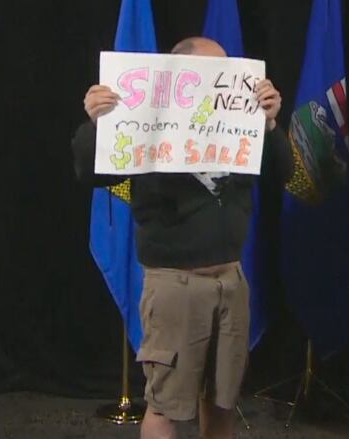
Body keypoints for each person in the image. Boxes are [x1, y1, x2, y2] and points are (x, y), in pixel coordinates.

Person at [71, 37, 292, 439]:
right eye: (213, 72)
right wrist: (98, 123)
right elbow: (92, 171)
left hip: (231, 280)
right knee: (166, 406)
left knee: (223, 402)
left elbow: (283, 171)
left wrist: (271, 124)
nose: (223, 81)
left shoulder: (239, 116)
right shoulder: (148, 119)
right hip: (174, 283)